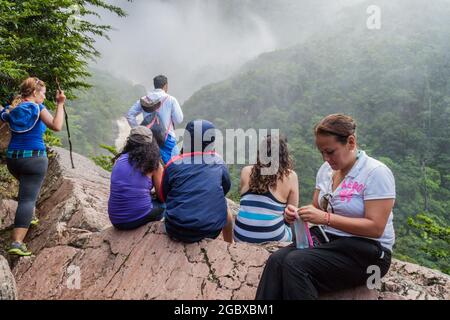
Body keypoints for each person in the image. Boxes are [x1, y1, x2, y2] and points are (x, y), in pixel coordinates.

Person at [256, 114, 395, 300]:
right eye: (322, 152)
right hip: (332, 240)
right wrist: (297, 214)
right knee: (277, 260)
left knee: (296, 264)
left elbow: (376, 228)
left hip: (370, 253)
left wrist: (326, 219)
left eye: (330, 151)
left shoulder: (375, 173)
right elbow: (317, 208)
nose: (326, 158)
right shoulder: (326, 171)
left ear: (351, 142)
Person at [0, 77, 66, 256]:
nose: (44, 97)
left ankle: (29, 215)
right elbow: (57, 126)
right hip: (34, 159)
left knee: (27, 191)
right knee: (27, 200)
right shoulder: (38, 108)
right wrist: (60, 104)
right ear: (35, 93)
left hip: (13, 160)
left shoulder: (12, 109)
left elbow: (2, 118)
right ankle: (17, 242)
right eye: (43, 93)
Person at [160, 120, 233, 243]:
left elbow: (163, 195)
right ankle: (229, 244)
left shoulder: (173, 164)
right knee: (226, 208)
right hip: (211, 231)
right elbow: (225, 188)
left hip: (176, 230)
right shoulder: (219, 163)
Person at [234, 135, 299, 243]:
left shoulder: (246, 171)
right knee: (295, 225)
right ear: (284, 155)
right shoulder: (291, 176)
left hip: (240, 236)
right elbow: (291, 213)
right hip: (274, 238)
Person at [108, 126, 165, 230]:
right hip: (134, 220)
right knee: (163, 206)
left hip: (116, 220)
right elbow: (162, 196)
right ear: (151, 143)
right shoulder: (154, 164)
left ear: (129, 141)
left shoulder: (119, 159)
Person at [126, 75, 183, 164]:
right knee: (176, 164)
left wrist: (139, 129)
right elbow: (179, 119)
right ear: (166, 86)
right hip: (167, 136)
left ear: (154, 85)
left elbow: (130, 115)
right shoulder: (171, 99)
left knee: (150, 164)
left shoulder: (144, 99)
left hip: (148, 136)